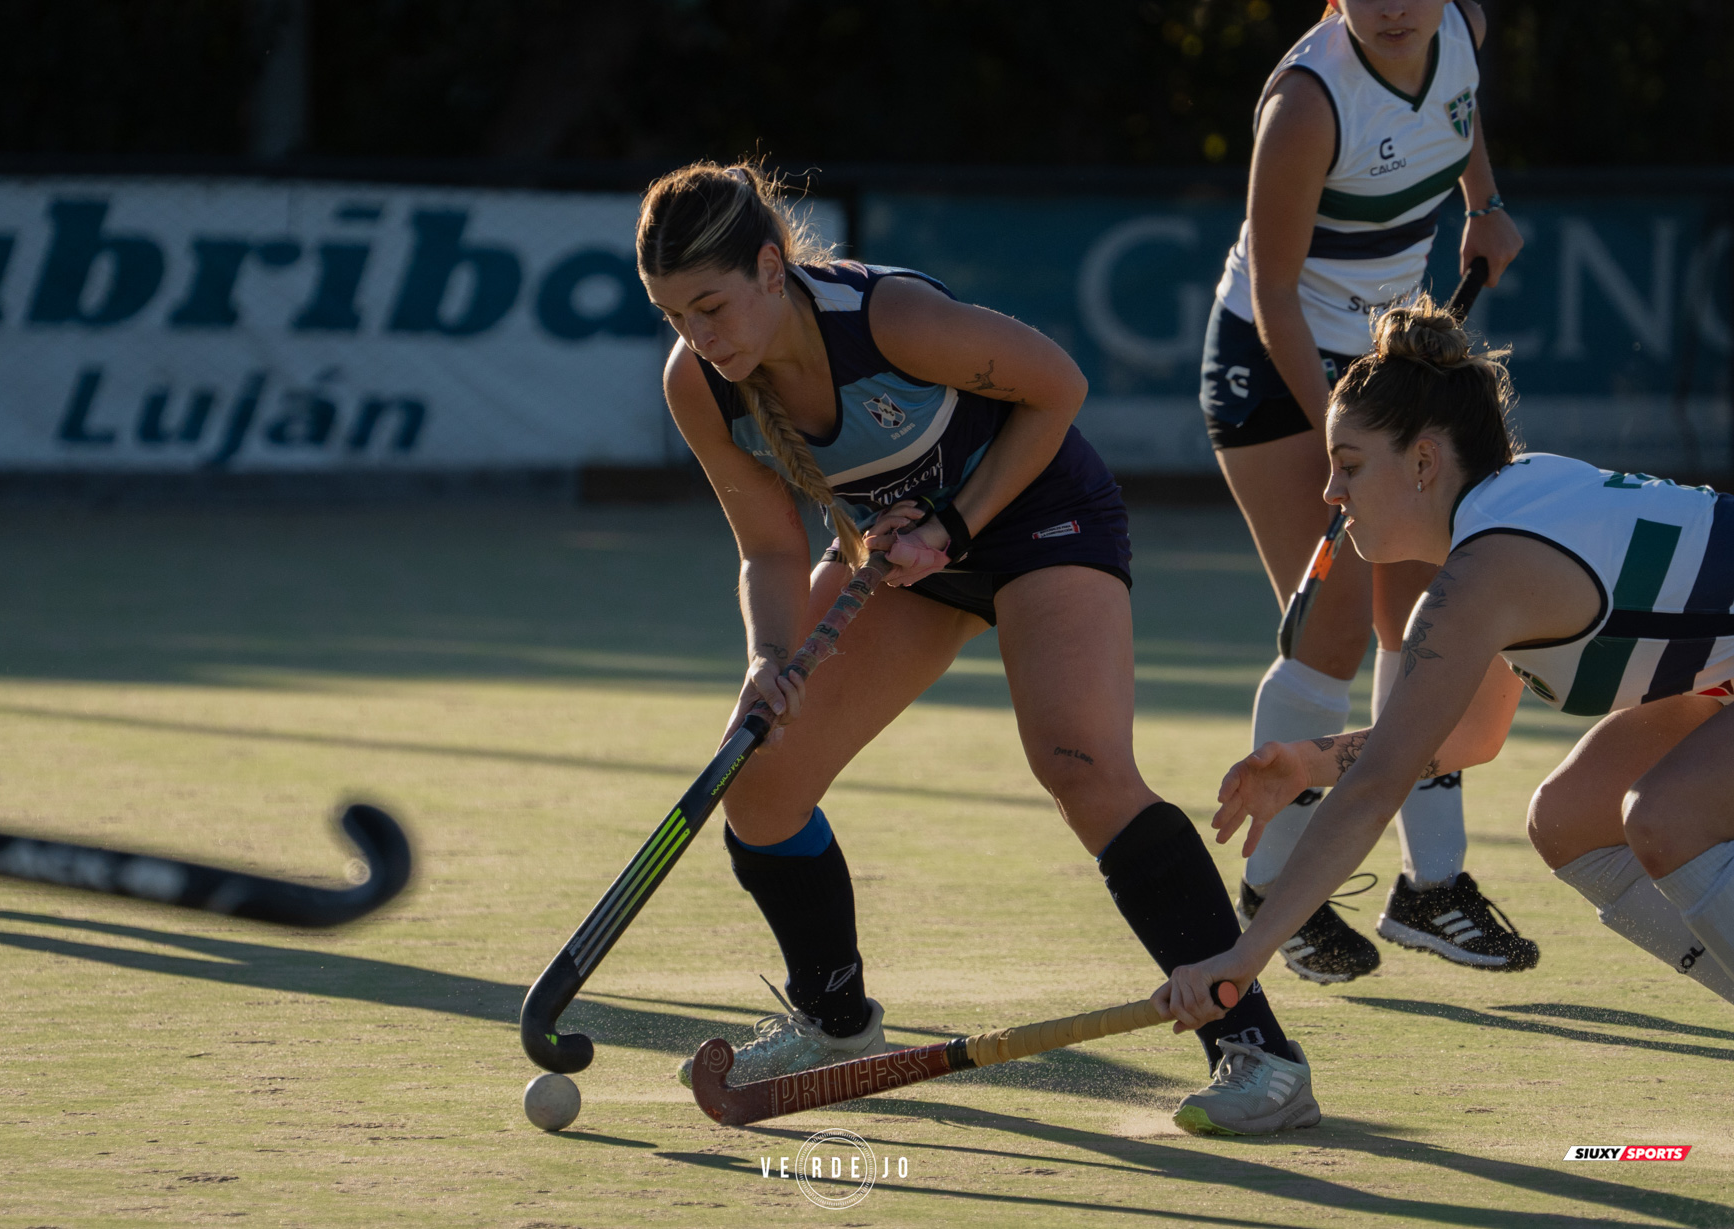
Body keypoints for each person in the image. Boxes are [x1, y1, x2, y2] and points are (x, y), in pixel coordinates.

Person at [636, 161, 1319, 1135]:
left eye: (711, 306)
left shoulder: (890, 321)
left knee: (1081, 766)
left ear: (771, 268)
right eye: (674, 316)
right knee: (762, 779)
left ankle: (1258, 1050)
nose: (700, 337)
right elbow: (770, 548)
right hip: (903, 558)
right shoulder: (699, 383)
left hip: (1041, 517)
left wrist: (954, 525)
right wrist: (766, 660)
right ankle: (835, 1022)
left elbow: (1060, 387)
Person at [1162, 296, 1734, 1036]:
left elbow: (1377, 790)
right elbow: (1469, 736)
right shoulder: (1507, 518)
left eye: (1349, 465)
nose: (1331, 493)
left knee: (1663, 816)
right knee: (1570, 817)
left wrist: (1245, 956)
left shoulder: (1480, 578)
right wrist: (1309, 761)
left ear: (1424, 461)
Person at [1199, 0, 1531, 983]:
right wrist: (1343, 447)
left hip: (1384, 365)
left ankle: (1431, 887)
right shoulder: (1307, 104)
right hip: (1279, 368)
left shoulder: (1461, 27)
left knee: (1432, 617)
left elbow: (1458, 107)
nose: (1393, 8)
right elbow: (1273, 294)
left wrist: (1484, 202)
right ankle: (1270, 891)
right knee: (1336, 628)